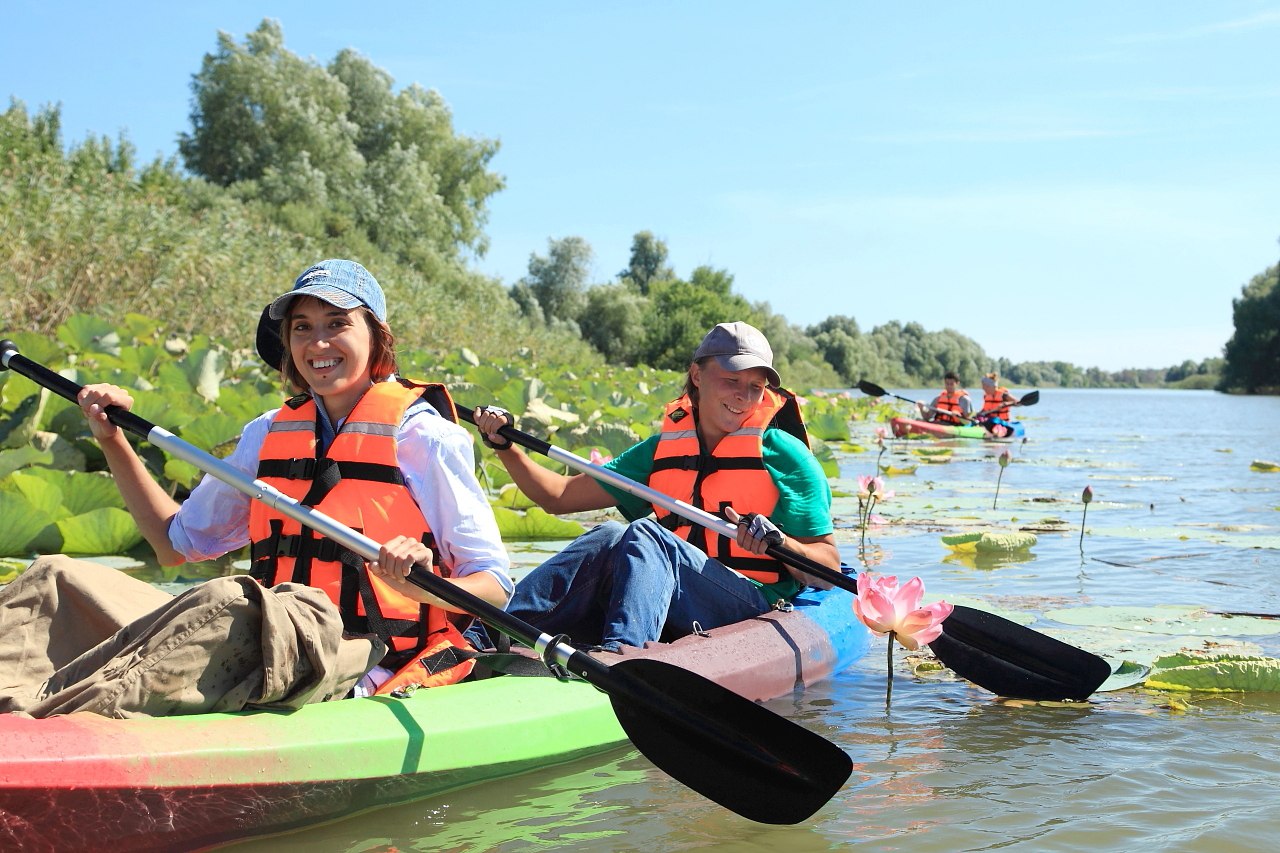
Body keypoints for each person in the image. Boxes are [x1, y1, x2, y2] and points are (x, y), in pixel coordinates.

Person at [0, 259, 511, 716]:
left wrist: (413, 582)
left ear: (377, 336)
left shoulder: (426, 436)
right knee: (55, 578)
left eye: (338, 324)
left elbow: (494, 587)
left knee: (226, 599)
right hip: (264, 639)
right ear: (287, 343)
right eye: (302, 327)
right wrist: (112, 441)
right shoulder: (267, 433)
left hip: (363, 655)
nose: (319, 343)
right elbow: (175, 544)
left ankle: (40, 721)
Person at [443, 321, 838, 654]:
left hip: (750, 602)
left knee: (647, 534)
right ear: (697, 376)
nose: (744, 397)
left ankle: (621, 655)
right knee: (609, 534)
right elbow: (558, 497)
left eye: (755, 387)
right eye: (732, 380)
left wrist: (784, 544)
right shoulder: (660, 451)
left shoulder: (787, 456)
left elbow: (827, 569)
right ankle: (478, 638)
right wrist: (506, 448)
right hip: (674, 594)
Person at [976, 372, 1022, 437]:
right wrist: (978, 414)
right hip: (990, 422)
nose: (983, 388)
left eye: (984, 386)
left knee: (993, 422)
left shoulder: (1004, 395)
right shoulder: (986, 396)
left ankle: (998, 433)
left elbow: (1019, 403)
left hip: (1003, 423)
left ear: (989, 386)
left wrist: (1007, 403)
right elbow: (984, 410)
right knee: (983, 421)